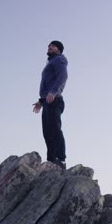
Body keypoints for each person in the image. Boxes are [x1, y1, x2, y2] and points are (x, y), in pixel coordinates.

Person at [32, 41, 68, 169]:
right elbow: (49, 82)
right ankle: (52, 160)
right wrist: (41, 101)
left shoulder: (59, 59)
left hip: (55, 100)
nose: (49, 47)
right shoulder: (51, 62)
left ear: (59, 50)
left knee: (54, 129)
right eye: (48, 46)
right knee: (47, 132)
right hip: (47, 102)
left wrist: (53, 92)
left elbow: (63, 76)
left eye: (53, 46)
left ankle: (61, 159)